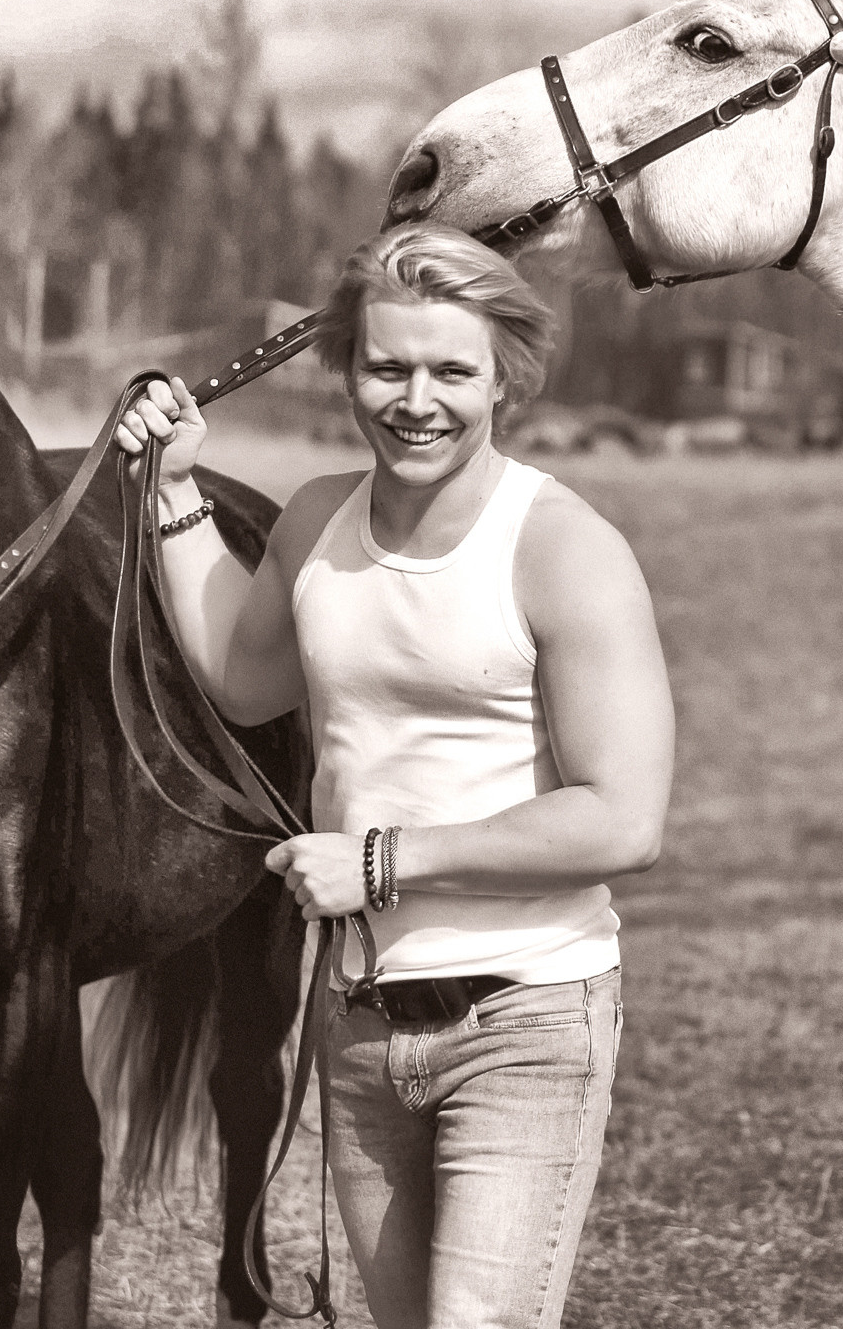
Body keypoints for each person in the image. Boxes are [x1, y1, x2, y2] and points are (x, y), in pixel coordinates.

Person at [114, 221, 675, 1329]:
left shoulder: (565, 548)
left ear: (506, 377)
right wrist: (174, 493)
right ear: (347, 369)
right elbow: (243, 676)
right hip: (360, 1026)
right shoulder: (320, 520)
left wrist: (380, 861)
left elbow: (624, 820)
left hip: (526, 1021)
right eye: (388, 365)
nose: (416, 399)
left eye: (452, 370)